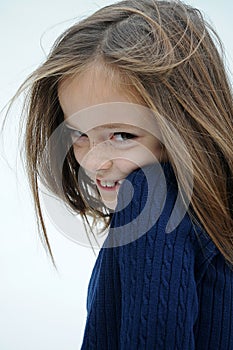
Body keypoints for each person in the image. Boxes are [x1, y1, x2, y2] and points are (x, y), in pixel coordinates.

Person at [12, 0, 233, 348]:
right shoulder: (211, 222)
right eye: (79, 135)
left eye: (122, 135)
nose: (95, 161)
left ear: (185, 126)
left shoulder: (152, 201)